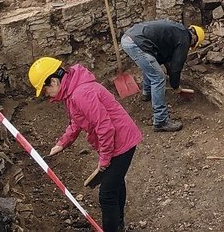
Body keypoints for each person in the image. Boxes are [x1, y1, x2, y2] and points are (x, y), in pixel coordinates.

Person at [29, 57, 141, 232]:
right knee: (115, 184)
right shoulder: (71, 91)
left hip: (122, 143)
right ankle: (118, 224)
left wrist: (104, 160)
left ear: (53, 81)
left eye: (44, 91)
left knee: (107, 194)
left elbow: (105, 128)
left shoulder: (81, 94)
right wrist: (62, 143)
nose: (46, 95)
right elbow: (77, 121)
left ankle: (115, 227)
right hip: (118, 141)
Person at [120, 20, 205, 132]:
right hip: (137, 43)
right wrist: (175, 86)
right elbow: (175, 67)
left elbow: (167, 61)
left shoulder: (177, 31)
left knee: (151, 65)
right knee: (158, 78)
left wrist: (173, 79)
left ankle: (147, 93)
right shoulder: (185, 39)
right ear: (194, 39)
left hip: (130, 37)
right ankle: (160, 121)